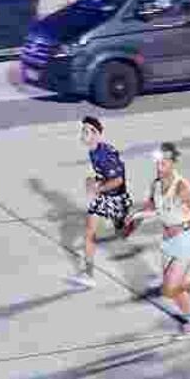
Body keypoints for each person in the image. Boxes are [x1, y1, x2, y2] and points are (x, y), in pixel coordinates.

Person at [125, 142, 190, 337]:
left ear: (172, 163)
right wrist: (135, 217)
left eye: (163, 163)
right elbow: (153, 208)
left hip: (185, 241)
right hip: (168, 242)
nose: (159, 166)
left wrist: (184, 226)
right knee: (174, 290)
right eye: (157, 162)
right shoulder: (156, 184)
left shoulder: (181, 186)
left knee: (170, 289)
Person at [70, 117, 133, 288]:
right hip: (105, 196)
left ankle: (131, 221)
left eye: (86, 131)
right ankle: (88, 275)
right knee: (89, 233)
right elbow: (104, 176)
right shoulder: (94, 150)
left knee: (122, 232)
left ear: (97, 135)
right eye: (82, 131)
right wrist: (93, 181)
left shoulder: (104, 154)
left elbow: (118, 180)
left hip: (117, 199)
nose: (82, 134)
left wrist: (97, 188)